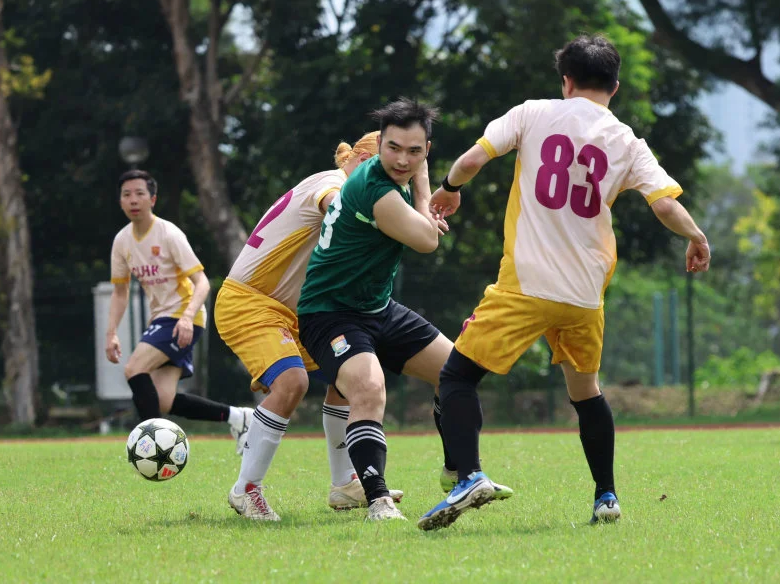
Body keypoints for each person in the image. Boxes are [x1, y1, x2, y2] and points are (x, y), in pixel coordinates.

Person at [417, 34, 712, 530]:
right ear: (615, 87)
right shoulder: (626, 140)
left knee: (457, 377)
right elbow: (664, 204)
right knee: (586, 393)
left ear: (566, 80)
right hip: (584, 295)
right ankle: (606, 496)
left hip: (526, 285)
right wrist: (697, 236)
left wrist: (448, 190)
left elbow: (471, 161)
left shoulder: (533, 112)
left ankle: (469, 476)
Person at [297, 98, 513, 522]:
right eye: (394, 148)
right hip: (329, 313)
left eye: (415, 151)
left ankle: (460, 475)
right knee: (369, 389)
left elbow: (422, 226)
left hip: (376, 307)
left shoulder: (393, 180)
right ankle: (377, 500)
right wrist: (424, 195)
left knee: (455, 371)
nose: (403, 159)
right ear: (380, 147)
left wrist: (422, 214)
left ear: (426, 148)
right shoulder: (374, 187)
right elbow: (428, 241)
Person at [216, 132, 408, 521]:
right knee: (293, 383)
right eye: (378, 167)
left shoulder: (350, 183)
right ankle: (245, 490)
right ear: (358, 160)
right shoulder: (334, 183)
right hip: (250, 300)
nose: (382, 180)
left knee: (344, 378)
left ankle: (344, 485)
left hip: (293, 311)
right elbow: (334, 206)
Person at [105, 169, 254, 453]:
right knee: (162, 400)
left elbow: (202, 283)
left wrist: (186, 318)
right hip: (162, 319)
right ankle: (239, 417)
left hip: (184, 317)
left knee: (134, 369)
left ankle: (150, 447)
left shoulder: (168, 233)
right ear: (121, 201)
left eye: (139, 193)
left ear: (153, 199)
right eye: (126, 195)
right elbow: (120, 292)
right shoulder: (122, 241)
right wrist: (111, 333)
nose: (133, 200)